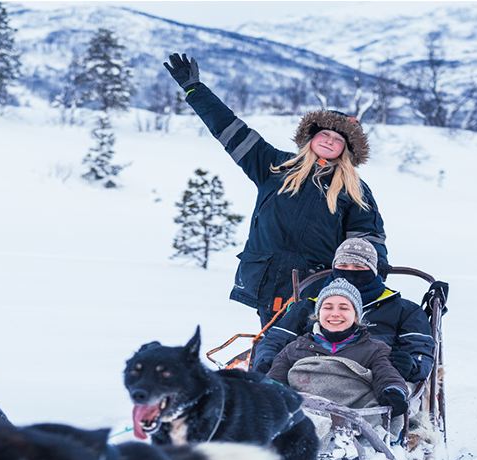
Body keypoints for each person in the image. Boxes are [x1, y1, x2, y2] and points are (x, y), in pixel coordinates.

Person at [164, 52, 389, 326]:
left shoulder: (354, 190)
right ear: (310, 138)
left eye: (338, 139)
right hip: (267, 278)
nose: (330, 141)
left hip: (317, 287)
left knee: (309, 345)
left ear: (347, 149)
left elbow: (368, 242)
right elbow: (229, 129)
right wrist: (195, 90)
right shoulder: (275, 166)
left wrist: (370, 283)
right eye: (324, 134)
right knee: (270, 344)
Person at [252, 238, 435, 382]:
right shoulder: (308, 307)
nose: (350, 271)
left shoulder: (405, 310)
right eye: (343, 266)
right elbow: (274, 342)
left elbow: (421, 351)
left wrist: (412, 366)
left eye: (359, 266)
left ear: (373, 270)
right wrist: (268, 364)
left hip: (375, 379)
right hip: (309, 376)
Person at [266, 278, 409, 417]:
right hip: (306, 414)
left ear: (356, 316)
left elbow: (386, 374)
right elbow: (276, 378)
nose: (335, 314)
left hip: (354, 415)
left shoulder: (373, 349)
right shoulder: (295, 348)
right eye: (327, 307)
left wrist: (393, 391)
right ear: (318, 314)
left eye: (344, 308)